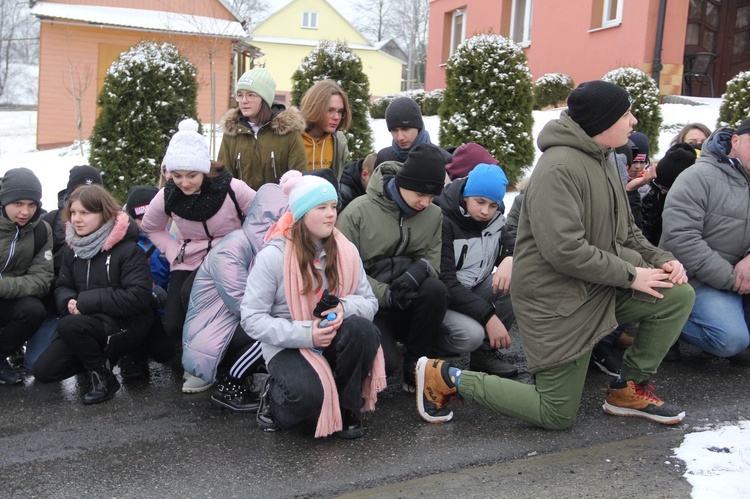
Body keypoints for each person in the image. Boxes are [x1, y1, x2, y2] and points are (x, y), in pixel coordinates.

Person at [415, 80, 695, 428]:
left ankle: (628, 389)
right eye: (626, 114)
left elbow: (627, 231)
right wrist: (631, 275)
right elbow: (565, 250)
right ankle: (446, 377)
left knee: (677, 294)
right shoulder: (559, 167)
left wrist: (659, 259)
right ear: (601, 122)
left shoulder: (606, 158)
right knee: (555, 413)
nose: (634, 121)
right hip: (557, 303)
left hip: (595, 286)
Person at [241, 171, 385, 439]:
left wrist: (343, 307)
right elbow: (251, 319)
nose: (331, 214)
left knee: (364, 331)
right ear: (302, 214)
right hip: (288, 344)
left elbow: (369, 302)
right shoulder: (273, 257)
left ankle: (346, 406)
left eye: (333, 206)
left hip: (331, 336)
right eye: (321, 208)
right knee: (307, 398)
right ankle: (274, 397)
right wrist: (307, 333)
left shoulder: (346, 250)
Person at [141, 119, 255, 387]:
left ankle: (223, 365)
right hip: (189, 258)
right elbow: (150, 226)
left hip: (229, 258)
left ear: (204, 169)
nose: (184, 182)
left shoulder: (232, 188)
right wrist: (171, 249)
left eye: (191, 175)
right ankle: (194, 363)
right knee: (173, 321)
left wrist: (251, 251)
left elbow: (262, 217)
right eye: (177, 175)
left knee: (204, 304)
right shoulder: (168, 194)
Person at [337, 143, 449, 395]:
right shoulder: (357, 212)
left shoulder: (433, 214)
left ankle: (416, 364)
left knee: (435, 290)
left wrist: (417, 274)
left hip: (407, 297)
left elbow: (433, 258)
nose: (425, 202)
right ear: (403, 182)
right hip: (370, 303)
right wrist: (385, 293)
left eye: (432, 197)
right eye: (420, 194)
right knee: (386, 364)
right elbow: (342, 272)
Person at [34, 185, 153, 404]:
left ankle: (103, 378)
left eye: (85, 213)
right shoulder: (74, 248)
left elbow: (138, 297)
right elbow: (63, 286)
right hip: (86, 324)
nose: (77, 219)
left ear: (103, 213)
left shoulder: (128, 249)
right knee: (44, 371)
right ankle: (98, 359)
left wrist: (84, 301)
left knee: (68, 326)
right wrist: (68, 301)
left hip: (125, 323)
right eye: (73, 212)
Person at [183, 183, 288, 413]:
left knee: (280, 325)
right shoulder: (233, 246)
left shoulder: (267, 246)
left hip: (227, 328)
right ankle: (230, 387)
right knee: (273, 331)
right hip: (213, 332)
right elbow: (241, 303)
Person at [660, 119, 750, 364]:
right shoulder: (698, 176)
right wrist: (733, 280)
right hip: (695, 279)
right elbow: (681, 239)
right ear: (735, 140)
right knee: (730, 340)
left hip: (742, 278)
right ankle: (665, 319)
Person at [435, 163, 518, 378]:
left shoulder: (495, 218)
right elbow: (446, 282)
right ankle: (427, 351)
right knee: (472, 334)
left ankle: (484, 354)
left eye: (492, 205)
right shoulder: (443, 219)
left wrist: (509, 258)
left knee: (517, 281)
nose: (485, 211)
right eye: (479, 202)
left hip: (473, 289)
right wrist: (488, 317)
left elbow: (508, 241)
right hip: (444, 298)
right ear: (466, 195)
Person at [0, 168, 53, 384]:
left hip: (11, 300)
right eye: (18, 204)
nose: (25, 212)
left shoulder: (42, 231)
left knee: (33, 310)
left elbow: (41, 280)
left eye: (32, 204)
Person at [118, 185, 174, 379]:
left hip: (164, 308)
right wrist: (151, 289)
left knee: (166, 352)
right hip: (138, 308)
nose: (147, 222)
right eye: (141, 218)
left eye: (154, 215)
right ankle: (133, 352)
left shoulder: (172, 240)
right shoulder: (124, 245)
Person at [218, 67, 306, 190]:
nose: (244, 101)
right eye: (240, 95)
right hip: (243, 207)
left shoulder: (288, 132)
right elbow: (223, 179)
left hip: (281, 207)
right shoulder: (232, 132)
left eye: (250, 95)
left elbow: (298, 177)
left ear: (265, 98)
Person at [640, 143, 697, 246]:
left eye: (667, 189)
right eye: (658, 186)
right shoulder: (645, 195)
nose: (662, 192)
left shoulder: (693, 207)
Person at [299, 79, 351, 179]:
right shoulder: (290, 138)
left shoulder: (339, 142)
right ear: (314, 108)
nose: (336, 117)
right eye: (330, 110)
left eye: (340, 111)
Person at [376, 97, 433, 166]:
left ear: (418, 128)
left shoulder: (441, 159)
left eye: (405, 129)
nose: (400, 137)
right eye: (394, 130)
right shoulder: (383, 158)